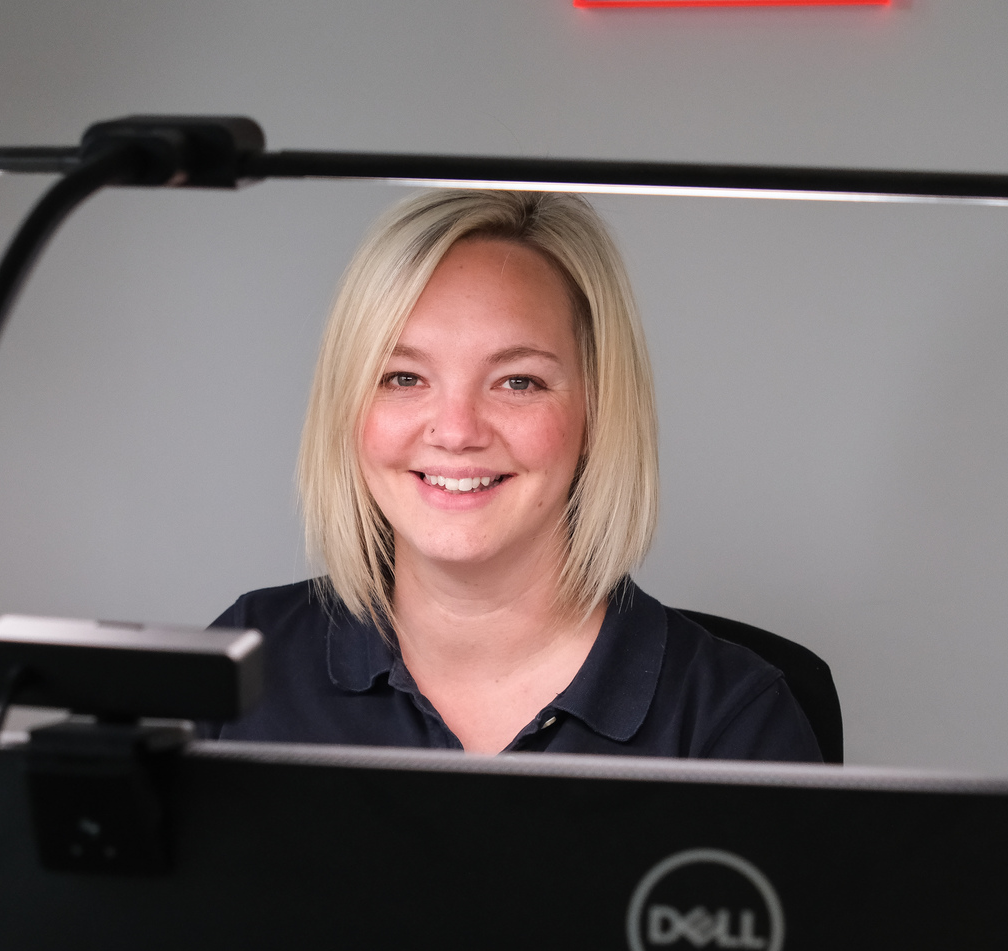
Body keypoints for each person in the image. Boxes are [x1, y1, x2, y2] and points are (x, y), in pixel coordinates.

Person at [209, 189, 820, 761]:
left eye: (517, 382)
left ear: (598, 408)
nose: (455, 430)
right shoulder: (244, 661)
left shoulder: (731, 723)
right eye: (403, 377)